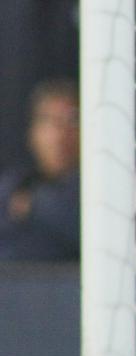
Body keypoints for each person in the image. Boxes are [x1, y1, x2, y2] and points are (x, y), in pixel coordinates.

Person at [0, 80, 80, 261]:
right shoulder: (13, 185)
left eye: (72, 121)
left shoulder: (102, 187)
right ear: (33, 132)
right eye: (50, 121)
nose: (60, 134)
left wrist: (35, 205)